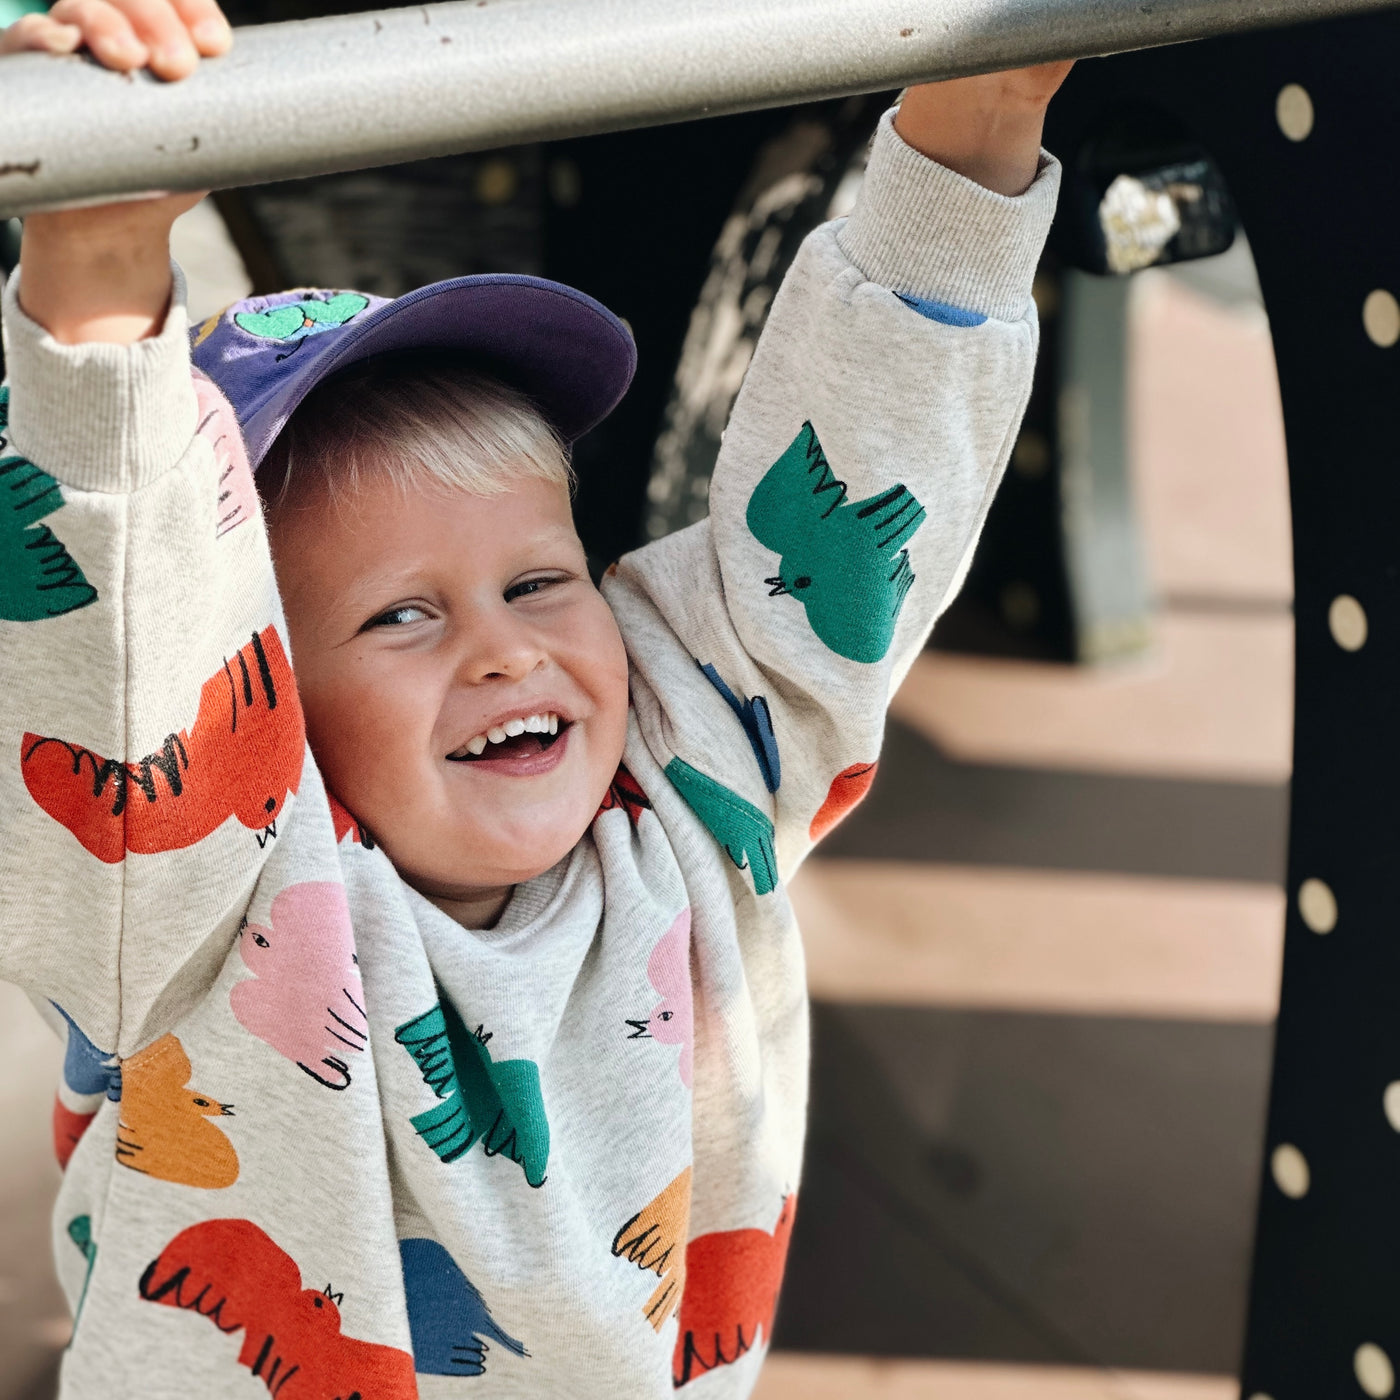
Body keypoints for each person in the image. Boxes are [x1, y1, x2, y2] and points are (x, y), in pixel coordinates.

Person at [0, 4, 1069, 1394]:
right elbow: (128, 678)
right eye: (401, 615)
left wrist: (977, 116)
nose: (505, 653)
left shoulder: (691, 794)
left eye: (540, 581)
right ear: (262, 707)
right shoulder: (211, 902)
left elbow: (854, 510)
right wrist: (94, 265)